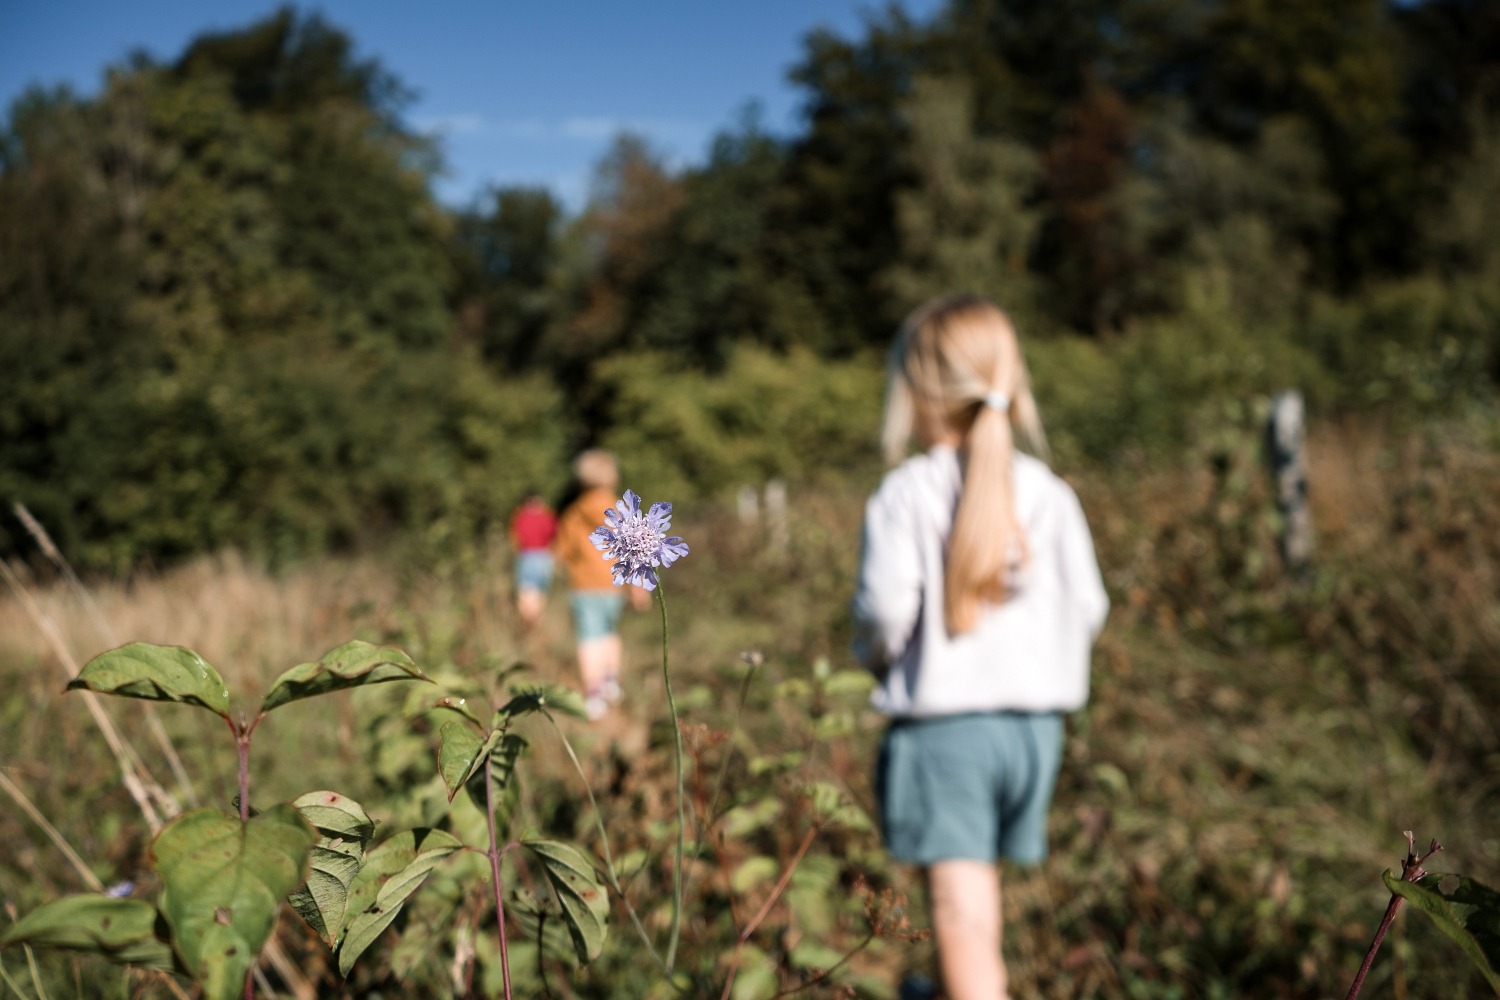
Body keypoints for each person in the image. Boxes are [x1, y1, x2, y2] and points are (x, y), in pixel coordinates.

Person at [851, 294, 1109, 1000]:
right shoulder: (1052, 492)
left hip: (946, 739)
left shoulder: (906, 493)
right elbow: (1089, 607)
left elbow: (884, 610)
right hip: (1035, 735)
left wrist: (873, 660)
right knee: (979, 907)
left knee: (960, 921)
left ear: (919, 388)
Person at [555, 449, 646, 720]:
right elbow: (635, 550)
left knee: (589, 637)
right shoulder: (622, 510)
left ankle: (593, 694)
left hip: (583, 586)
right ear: (612, 477)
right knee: (609, 632)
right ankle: (610, 682)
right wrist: (638, 586)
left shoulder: (572, 514)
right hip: (614, 585)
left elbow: (563, 552)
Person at [508, 492, 558, 627]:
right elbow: (554, 536)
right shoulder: (547, 516)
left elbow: (515, 537)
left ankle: (527, 624)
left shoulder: (520, 516)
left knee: (526, 593)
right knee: (541, 594)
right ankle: (537, 624)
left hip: (526, 556)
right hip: (544, 557)